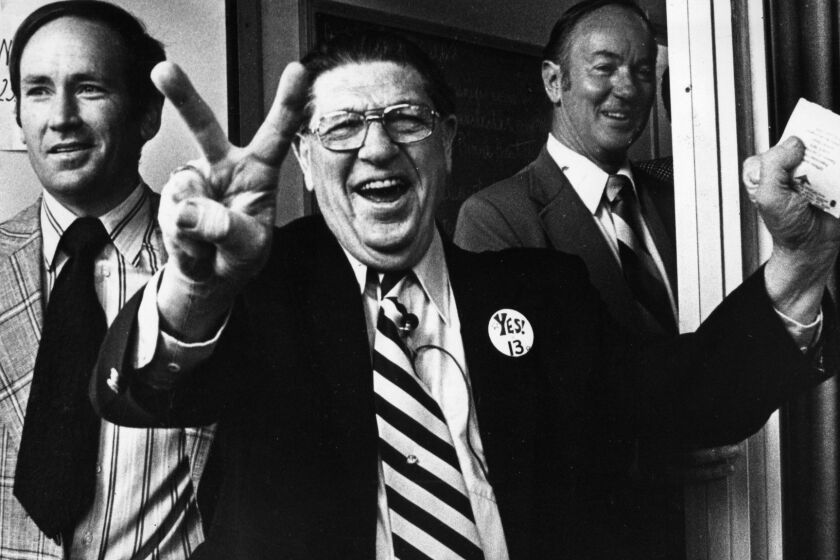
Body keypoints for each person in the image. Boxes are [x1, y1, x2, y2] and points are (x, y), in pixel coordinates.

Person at [92, 31, 838, 560]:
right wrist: (195, 286)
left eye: (405, 120)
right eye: (343, 128)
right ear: (304, 157)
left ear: (447, 142)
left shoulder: (544, 294)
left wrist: (800, 260)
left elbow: (690, 401)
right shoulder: (256, 288)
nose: (377, 148)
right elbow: (135, 394)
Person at [453, 2, 724, 557]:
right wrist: (644, 458)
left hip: (718, 522)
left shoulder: (682, 202)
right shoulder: (497, 215)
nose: (628, 88)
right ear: (555, 81)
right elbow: (515, 420)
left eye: (644, 70)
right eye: (605, 68)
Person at [0, 2, 215, 558]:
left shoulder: (209, 268)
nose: (61, 116)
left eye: (89, 88)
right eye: (39, 90)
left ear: (147, 114)